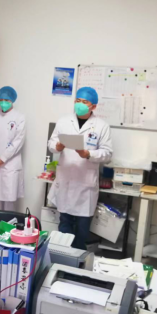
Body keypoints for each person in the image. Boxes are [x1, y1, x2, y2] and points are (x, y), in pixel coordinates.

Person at [48, 86, 112, 249]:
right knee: (64, 228)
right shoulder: (63, 121)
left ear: (93, 106)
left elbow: (107, 154)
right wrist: (58, 146)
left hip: (85, 186)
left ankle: (78, 262)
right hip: (65, 182)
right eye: (77, 100)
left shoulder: (101, 126)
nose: (79, 104)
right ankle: (62, 258)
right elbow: (51, 144)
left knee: (81, 232)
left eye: (84, 102)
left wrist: (88, 154)